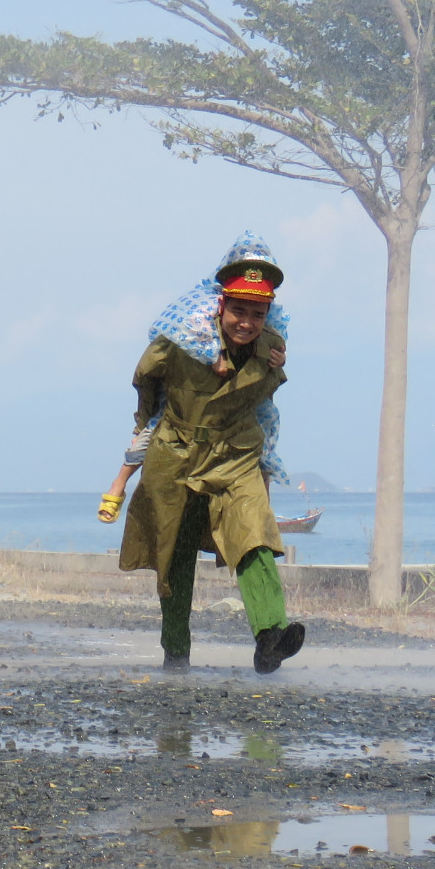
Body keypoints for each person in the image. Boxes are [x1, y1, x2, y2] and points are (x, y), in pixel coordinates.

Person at [118, 234, 305, 675]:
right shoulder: (179, 340)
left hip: (236, 455)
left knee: (254, 539)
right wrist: (148, 422)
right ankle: (176, 652)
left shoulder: (271, 351)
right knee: (176, 559)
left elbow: (265, 401)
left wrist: (261, 467)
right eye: (239, 310)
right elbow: (144, 375)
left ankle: (270, 638)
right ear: (221, 306)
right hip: (176, 458)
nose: (246, 322)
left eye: (257, 313)